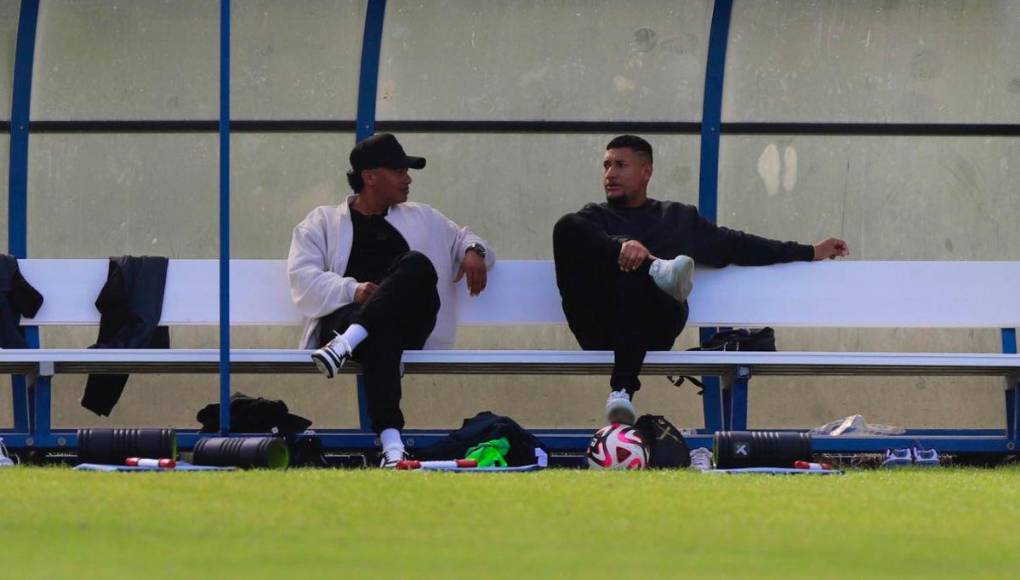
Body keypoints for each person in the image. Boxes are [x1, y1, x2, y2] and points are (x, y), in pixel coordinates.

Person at [553, 135, 849, 425]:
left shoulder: (677, 218)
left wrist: (810, 251)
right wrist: (624, 246)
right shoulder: (593, 218)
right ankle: (657, 269)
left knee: (635, 284)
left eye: (620, 165)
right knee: (566, 226)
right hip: (597, 325)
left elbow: (739, 245)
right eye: (606, 165)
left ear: (646, 171)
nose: (610, 174)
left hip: (653, 325)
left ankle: (622, 390)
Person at [288, 133, 494, 467]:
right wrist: (354, 290)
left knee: (416, 264)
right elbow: (303, 279)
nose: (407, 179)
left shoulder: (422, 217)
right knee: (381, 333)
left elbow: (465, 237)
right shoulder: (322, 221)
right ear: (370, 177)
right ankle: (393, 447)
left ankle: (348, 341)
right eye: (399, 171)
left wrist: (474, 250)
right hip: (350, 320)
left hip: (388, 329)